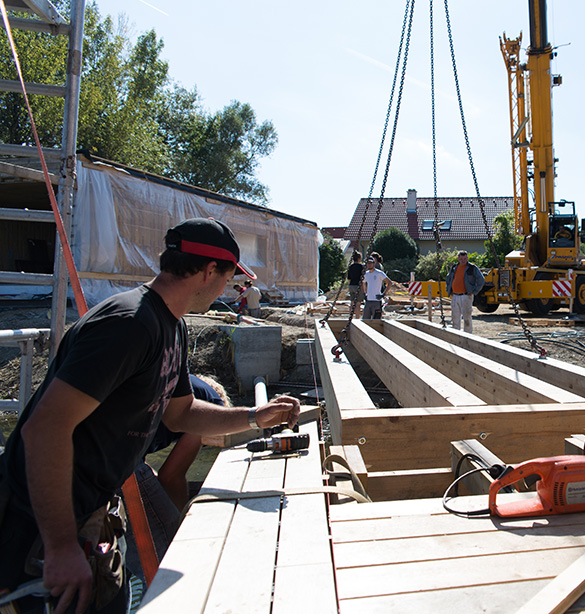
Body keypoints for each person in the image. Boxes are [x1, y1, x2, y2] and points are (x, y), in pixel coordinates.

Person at [0, 217, 300, 614]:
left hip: (89, 515)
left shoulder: (169, 326)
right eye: (227, 279)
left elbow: (181, 414)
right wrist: (59, 546)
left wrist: (253, 416)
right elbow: (44, 429)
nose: (225, 290)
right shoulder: (127, 325)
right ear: (209, 270)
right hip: (37, 531)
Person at [122, 374, 225, 593]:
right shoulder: (210, 404)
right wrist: (181, 527)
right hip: (121, 472)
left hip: (100, 470)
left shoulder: (169, 389)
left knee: (122, 568)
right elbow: (172, 476)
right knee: (170, 561)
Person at [445, 251, 485, 333]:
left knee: (467, 317)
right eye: (461, 258)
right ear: (458, 258)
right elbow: (448, 279)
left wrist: (474, 290)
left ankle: (468, 336)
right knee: (455, 317)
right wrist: (449, 289)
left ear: (467, 258)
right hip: (455, 296)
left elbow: (481, 279)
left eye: (464, 258)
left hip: (466, 296)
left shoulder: (472, 268)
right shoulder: (454, 268)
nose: (463, 260)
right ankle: (456, 335)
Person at [361, 256, 390, 320]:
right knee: (365, 320)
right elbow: (363, 283)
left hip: (376, 300)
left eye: (371, 263)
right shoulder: (366, 274)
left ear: (374, 264)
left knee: (376, 320)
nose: (369, 265)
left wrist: (383, 294)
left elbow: (389, 283)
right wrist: (364, 293)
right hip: (368, 300)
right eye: (368, 263)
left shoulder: (379, 273)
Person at [346, 251, 364, 316]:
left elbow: (349, 278)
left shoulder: (350, 267)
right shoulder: (361, 267)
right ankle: (357, 317)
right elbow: (363, 279)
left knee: (352, 302)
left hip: (351, 285)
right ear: (359, 258)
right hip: (357, 286)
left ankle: (350, 317)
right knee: (358, 304)